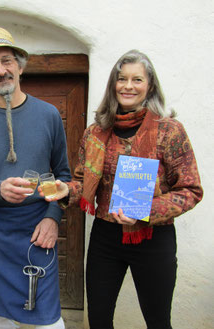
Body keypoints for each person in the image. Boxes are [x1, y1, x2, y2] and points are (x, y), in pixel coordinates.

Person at [39, 49, 203, 329]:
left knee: (158, 321)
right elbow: (81, 181)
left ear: (149, 85)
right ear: (113, 85)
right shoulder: (96, 132)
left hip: (153, 238)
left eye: (137, 79)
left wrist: (145, 210)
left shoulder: (169, 130)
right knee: (99, 319)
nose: (128, 86)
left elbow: (190, 190)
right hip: (106, 237)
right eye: (122, 79)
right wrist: (65, 189)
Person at [0, 25, 71, 329]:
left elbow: (62, 177)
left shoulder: (48, 115)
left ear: (20, 66)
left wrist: (52, 217)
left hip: (37, 231)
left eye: (6, 61)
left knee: (49, 322)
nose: (1, 70)